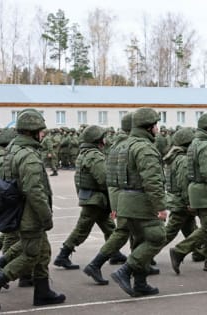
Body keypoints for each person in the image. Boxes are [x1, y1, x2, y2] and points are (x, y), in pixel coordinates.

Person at [0, 109, 65, 306]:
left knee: (43, 252)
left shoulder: (13, 150)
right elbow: (34, 191)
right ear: (33, 131)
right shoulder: (28, 156)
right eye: (41, 130)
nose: (43, 134)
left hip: (19, 210)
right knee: (30, 255)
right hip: (31, 214)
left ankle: (43, 292)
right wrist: (46, 217)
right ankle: (2, 278)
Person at [111, 108, 167, 297]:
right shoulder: (144, 148)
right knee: (157, 237)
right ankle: (125, 271)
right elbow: (152, 180)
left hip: (126, 200)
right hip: (141, 202)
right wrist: (160, 206)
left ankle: (141, 283)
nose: (158, 129)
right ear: (149, 127)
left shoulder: (125, 145)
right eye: (155, 125)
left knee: (140, 240)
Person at [54, 125, 124, 270]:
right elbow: (104, 179)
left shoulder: (84, 153)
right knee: (82, 230)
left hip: (92, 198)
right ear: (98, 140)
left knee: (109, 227)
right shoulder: (95, 155)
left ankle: (114, 253)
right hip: (95, 200)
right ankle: (63, 255)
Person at [83, 113, 136, 285]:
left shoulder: (118, 145)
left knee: (128, 231)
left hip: (122, 196)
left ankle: (138, 265)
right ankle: (98, 264)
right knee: (127, 231)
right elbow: (112, 178)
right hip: (129, 196)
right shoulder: (128, 146)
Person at [169, 113, 207, 274]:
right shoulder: (206, 146)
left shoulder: (196, 143)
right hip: (204, 192)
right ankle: (179, 251)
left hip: (198, 191)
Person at [163, 127, 204, 261]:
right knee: (168, 233)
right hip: (181, 203)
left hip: (176, 200)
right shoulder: (183, 159)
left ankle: (199, 252)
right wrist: (189, 203)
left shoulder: (175, 157)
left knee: (191, 229)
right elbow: (184, 183)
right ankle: (143, 254)